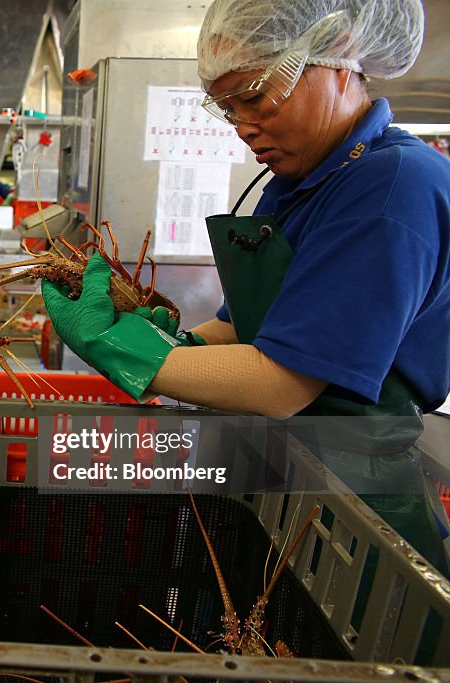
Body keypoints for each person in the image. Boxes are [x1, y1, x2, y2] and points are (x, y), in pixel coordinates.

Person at [43, 0, 450, 573]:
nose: (242, 128)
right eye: (227, 109)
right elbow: (242, 328)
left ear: (338, 57)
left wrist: (120, 350)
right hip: (279, 474)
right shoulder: (299, 181)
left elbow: (280, 385)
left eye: (255, 98)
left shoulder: (390, 187)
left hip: (357, 510)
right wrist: (180, 347)